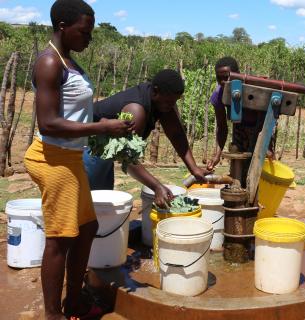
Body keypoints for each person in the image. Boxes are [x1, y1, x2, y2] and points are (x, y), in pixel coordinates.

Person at [23, 1, 133, 319]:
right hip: (52, 159)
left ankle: (73, 300)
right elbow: (48, 123)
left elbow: (73, 114)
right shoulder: (49, 63)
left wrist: (105, 131)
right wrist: (101, 126)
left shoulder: (68, 62)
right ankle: (53, 313)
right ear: (63, 27)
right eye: (85, 31)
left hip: (70, 158)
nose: (89, 38)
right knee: (60, 238)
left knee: (87, 228)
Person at [84, 69, 210, 208]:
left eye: (175, 101)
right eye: (169, 101)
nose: (171, 105)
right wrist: (156, 186)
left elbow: (176, 135)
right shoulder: (136, 110)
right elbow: (127, 158)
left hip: (105, 155)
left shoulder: (163, 102)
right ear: (155, 92)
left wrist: (194, 168)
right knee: (88, 205)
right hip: (90, 152)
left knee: (100, 207)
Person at [207, 57, 274, 187]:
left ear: (237, 74)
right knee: (239, 169)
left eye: (226, 77)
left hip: (261, 127)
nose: (222, 82)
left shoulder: (254, 87)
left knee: (260, 170)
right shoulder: (218, 95)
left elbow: (269, 116)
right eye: (218, 77)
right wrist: (217, 154)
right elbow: (222, 127)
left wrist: (267, 144)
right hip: (239, 129)